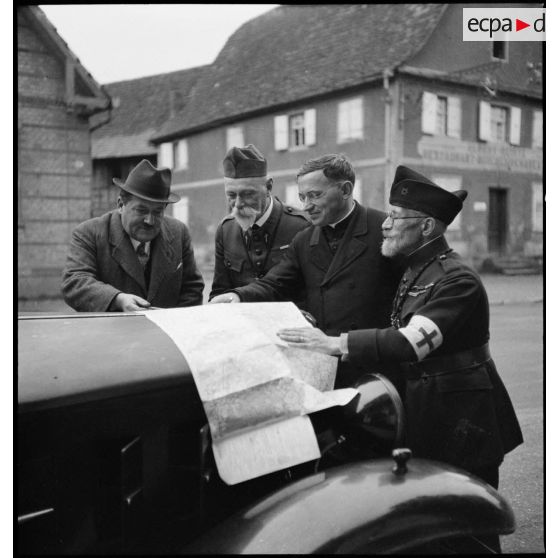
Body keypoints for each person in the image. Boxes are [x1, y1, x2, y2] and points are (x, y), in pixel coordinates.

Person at [277, 165, 523, 494]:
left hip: (464, 417)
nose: (386, 225)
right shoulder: (415, 269)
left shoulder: (456, 279)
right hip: (430, 410)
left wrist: (336, 343)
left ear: (425, 226)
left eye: (396, 218)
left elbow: (411, 342)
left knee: (466, 515)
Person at [211, 153, 402, 388]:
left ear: (345, 190)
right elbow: (274, 283)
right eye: (302, 196)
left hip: (374, 367)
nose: (306, 205)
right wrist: (238, 295)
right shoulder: (304, 239)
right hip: (325, 366)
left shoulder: (383, 229)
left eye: (315, 195)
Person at [62, 159, 204, 312]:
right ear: (121, 205)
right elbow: (75, 281)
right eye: (141, 210)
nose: (150, 220)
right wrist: (117, 299)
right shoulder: (89, 233)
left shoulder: (179, 232)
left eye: (157, 212)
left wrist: (173, 322)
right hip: (113, 333)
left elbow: (192, 287)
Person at [209, 144, 309, 301]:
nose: (238, 204)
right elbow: (220, 291)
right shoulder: (225, 230)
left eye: (248, 194)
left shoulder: (302, 226)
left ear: (268, 186)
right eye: (231, 195)